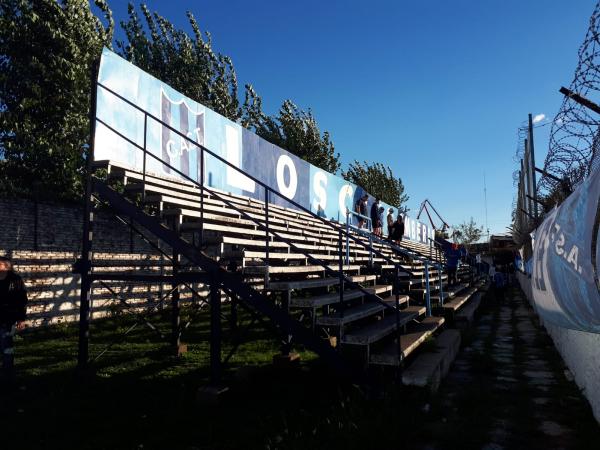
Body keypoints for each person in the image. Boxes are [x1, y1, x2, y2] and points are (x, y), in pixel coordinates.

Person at [0, 256, 28, 387]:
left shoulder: (16, 280)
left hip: (7, 319)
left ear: (7, 266)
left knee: (7, 347)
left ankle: (8, 376)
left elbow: (22, 300)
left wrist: (21, 318)